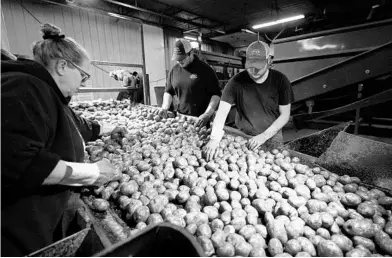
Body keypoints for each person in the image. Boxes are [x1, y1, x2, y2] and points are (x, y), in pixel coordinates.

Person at [1, 23, 126, 256]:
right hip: (15, 238)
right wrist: (93, 173)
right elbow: (24, 164)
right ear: (62, 66)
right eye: (83, 75)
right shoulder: (22, 87)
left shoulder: (45, 90)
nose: (84, 84)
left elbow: (73, 125)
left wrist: (109, 128)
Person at [204, 40, 294, 161]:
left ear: (269, 61)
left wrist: (263, 136)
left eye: (258, 67)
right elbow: (222, 113)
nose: (254, 71)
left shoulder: (281, 81)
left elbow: (285, 115)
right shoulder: (236, 82)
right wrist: (214, 138)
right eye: (251, 66)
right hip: (243, 137)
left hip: (272, 136)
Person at [158, 39, 221, 127]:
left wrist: (207, 114)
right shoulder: (174, 70)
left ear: (190, 54)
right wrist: (165, 107)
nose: (179, 61)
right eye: (177, 59)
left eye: (182, 58)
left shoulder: (205, 70)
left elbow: (216, 95)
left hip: (201, 120)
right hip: (181, 118)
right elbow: (168, 91)